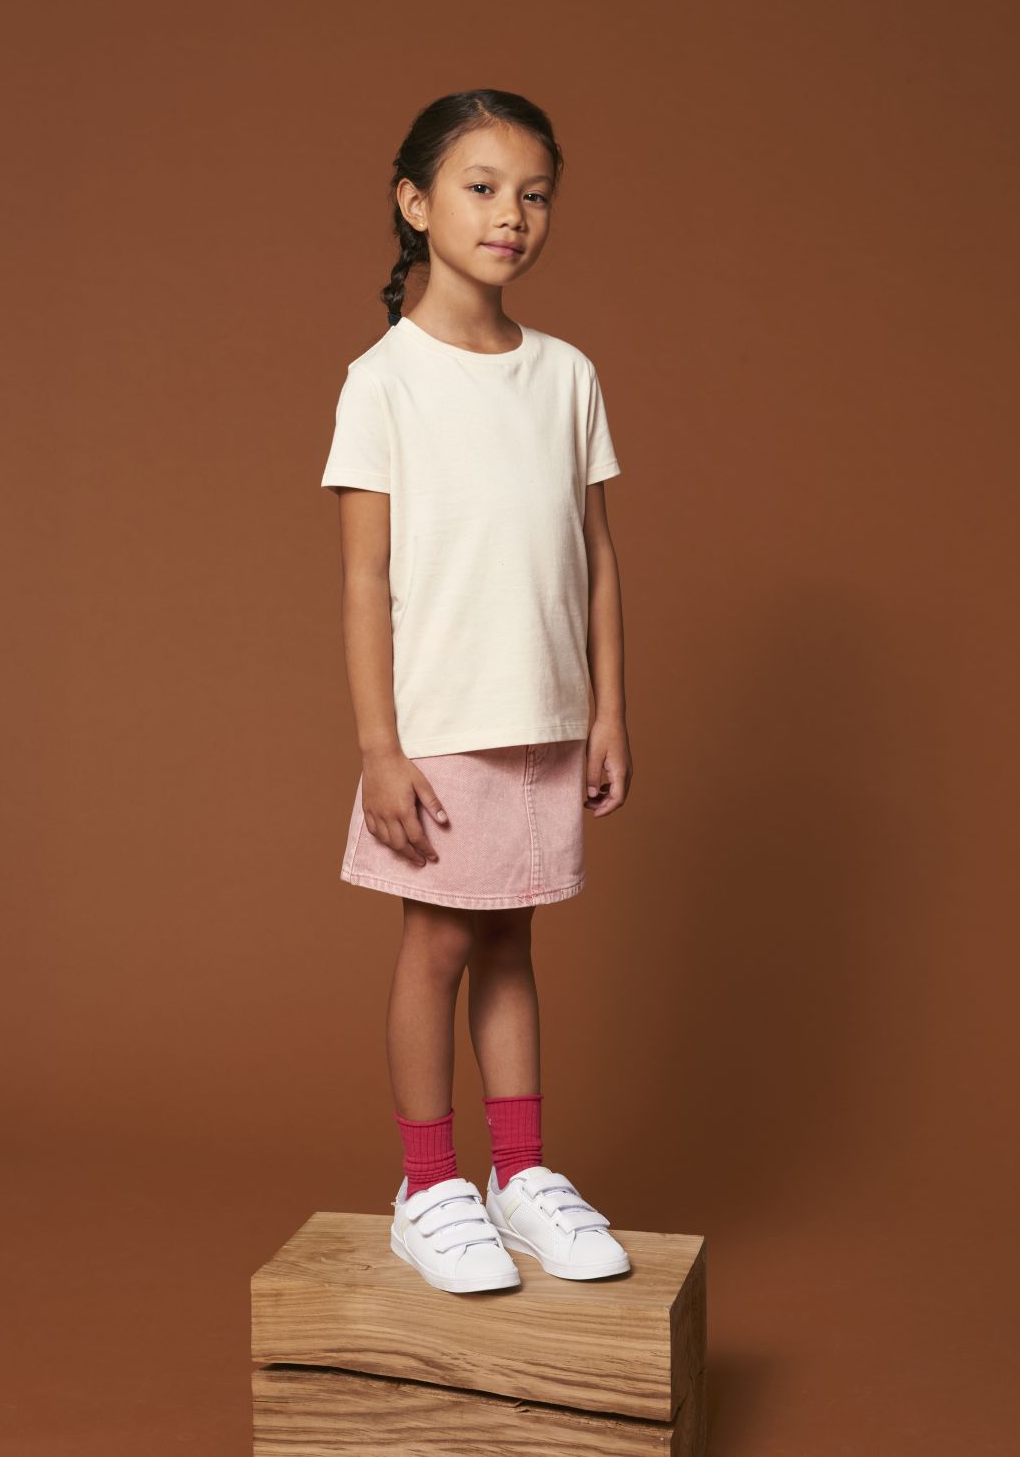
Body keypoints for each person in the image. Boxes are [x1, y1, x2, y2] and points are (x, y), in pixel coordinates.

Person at [319, 89, 633, 1294]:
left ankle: (521, 1175)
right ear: (416, 203)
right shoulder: (384, 383)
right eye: (483, 187)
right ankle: (428, 1185)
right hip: (442, 723)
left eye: (535, 194)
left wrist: (608, 711)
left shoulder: (566, 376)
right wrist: (379, 749)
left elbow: (597, 554)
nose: (513, 214)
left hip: (546, 715)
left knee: (512, 939)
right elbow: (365, 580)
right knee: (441, 939)